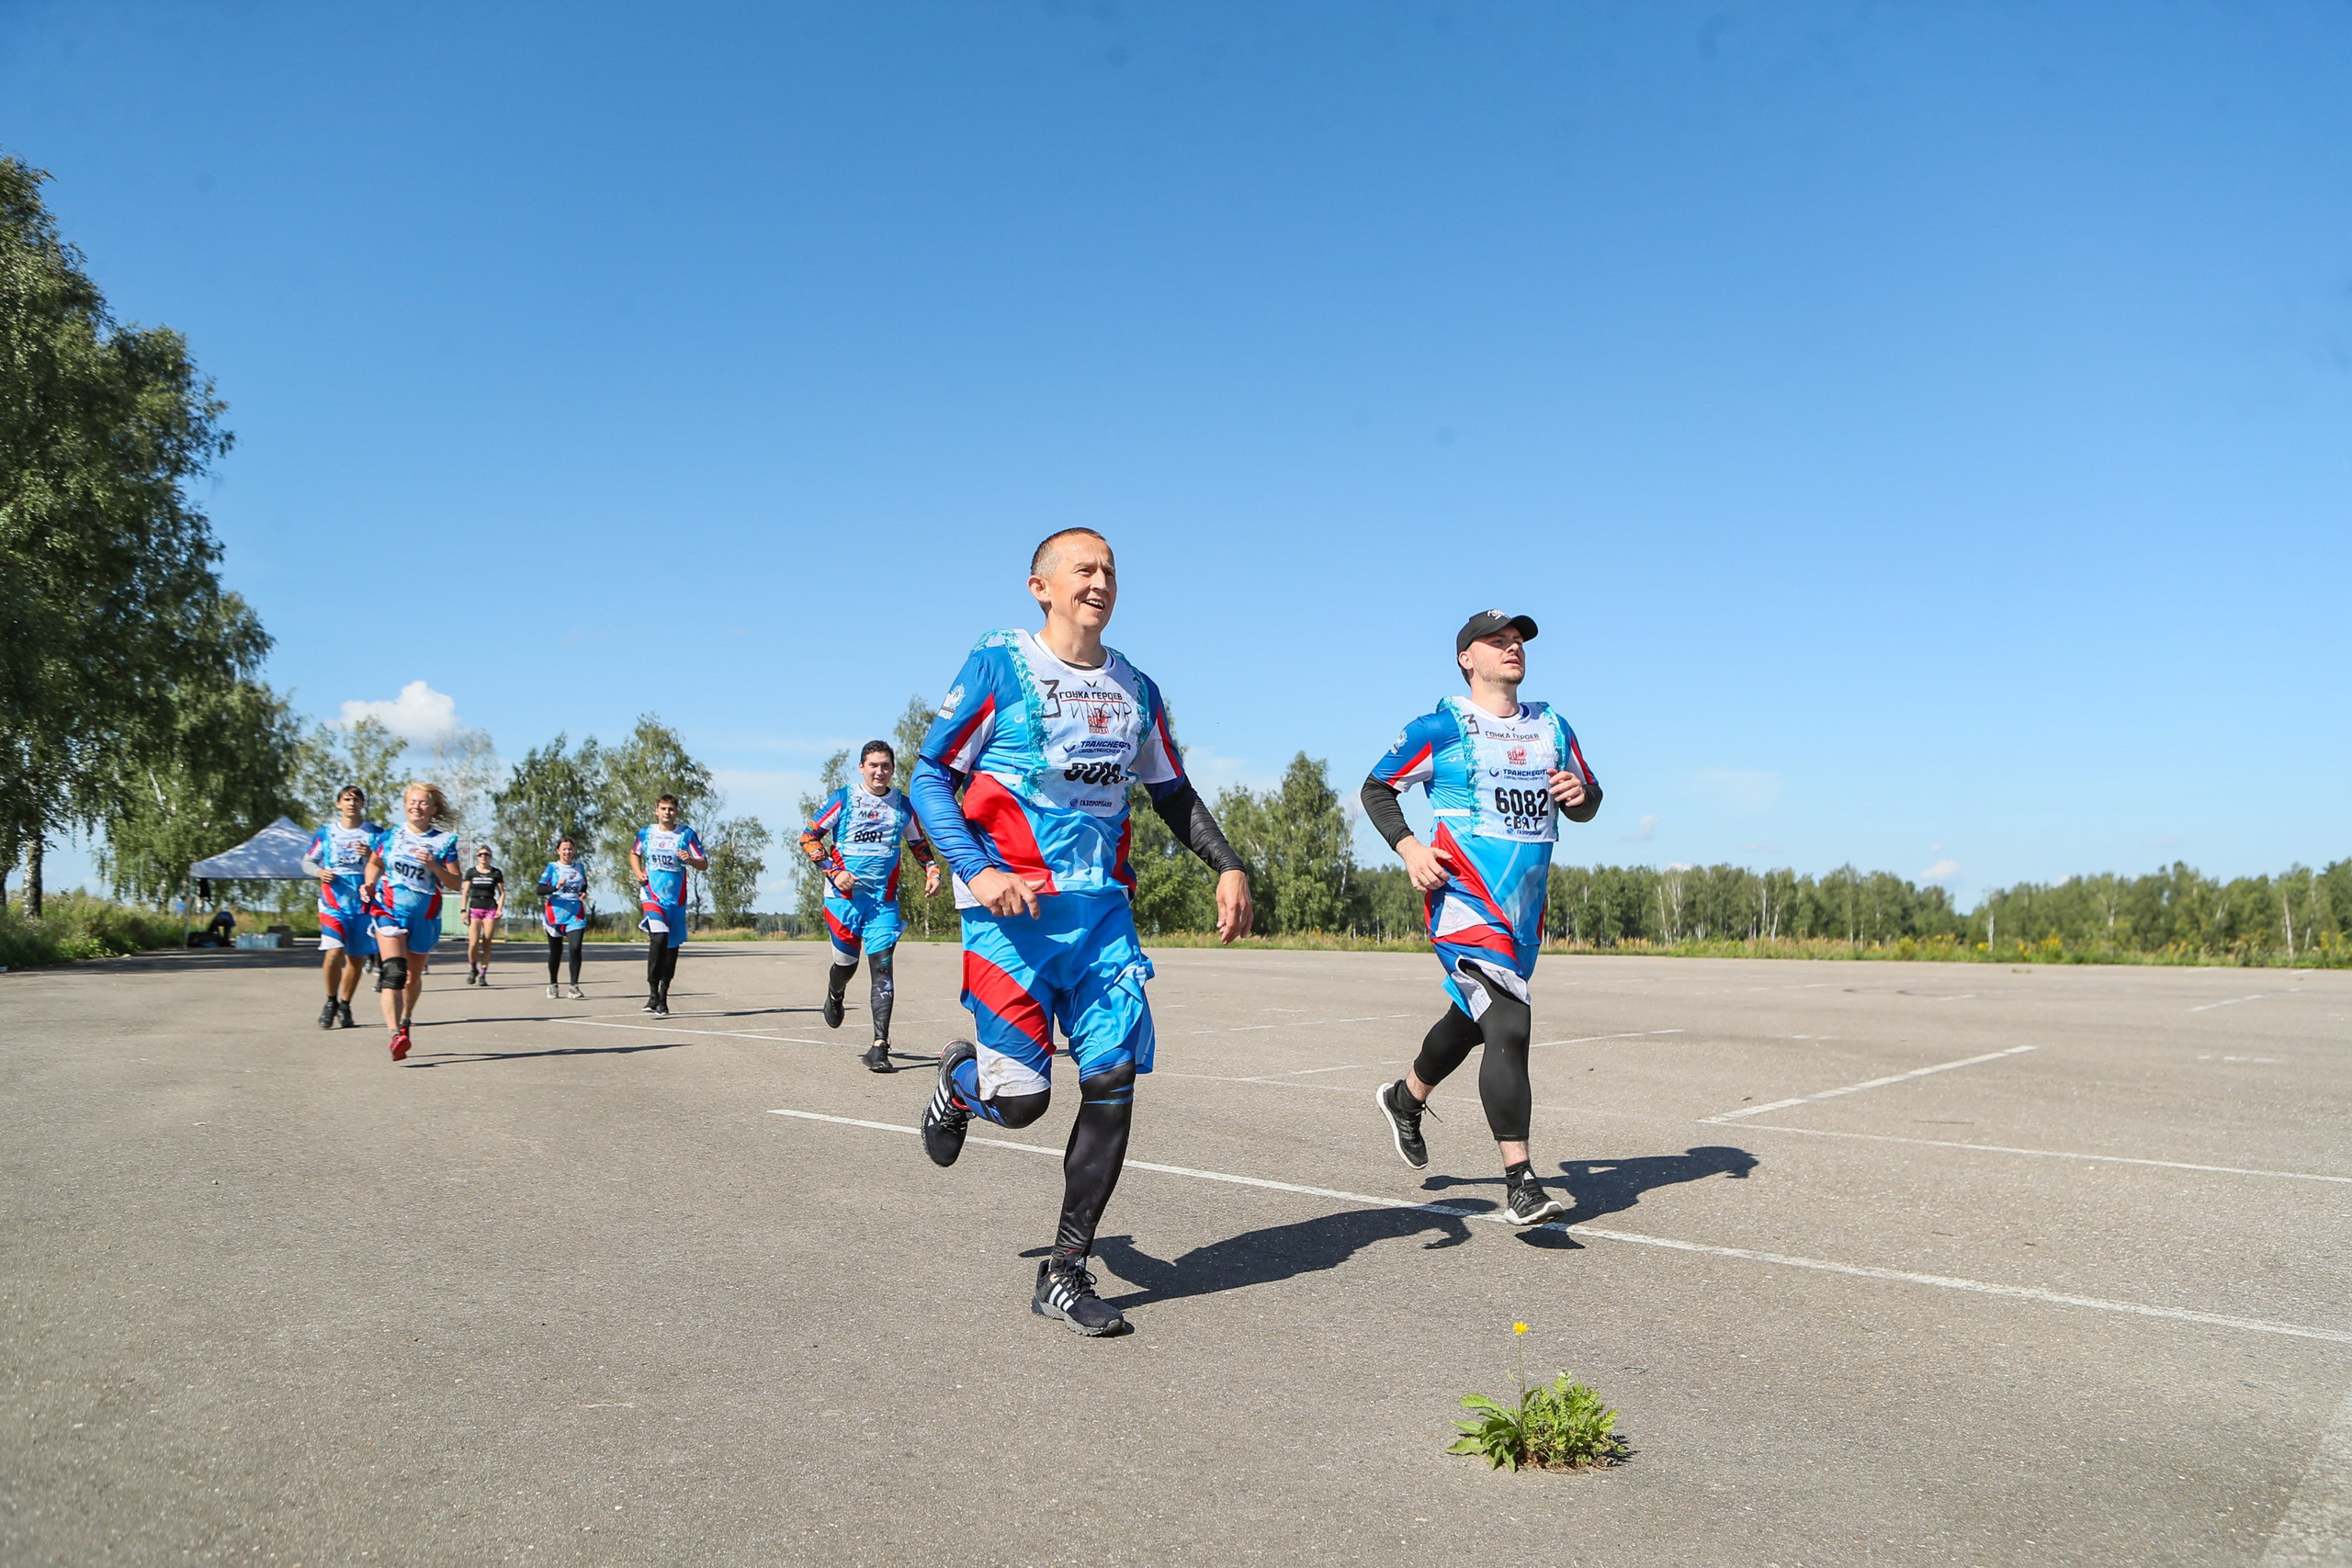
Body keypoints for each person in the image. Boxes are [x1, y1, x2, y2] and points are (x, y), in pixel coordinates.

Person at [910, 527, 1252, 1337]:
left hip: (1101, 919)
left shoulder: (1136, 687)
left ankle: (1064, 1270)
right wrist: (979, 869)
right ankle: (962, 1085)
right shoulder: (1000, 663)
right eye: (1082, 568)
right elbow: (932, 776)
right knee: (1023, 1101)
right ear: (1041, 586)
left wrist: (1229, 864)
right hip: (1009, 920)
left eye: (1109, 570)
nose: (1099, 580)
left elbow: (1171, 790)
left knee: (1113, 1078)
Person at [1363, 610, 1601, 1225]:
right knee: (1511, 1022)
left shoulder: (1553, 726)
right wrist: (1411, 849)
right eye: (1498, 640)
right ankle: (1521, 1181)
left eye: (1518, 638)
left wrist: (1581, 794)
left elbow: (1588, 800)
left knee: (1477, 1020)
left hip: (1523, 909)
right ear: (1468, 657)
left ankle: (1405, 1096)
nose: (1513, 645)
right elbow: (1376, 787)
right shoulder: (1440, 727)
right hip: (1463, 900)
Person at [800, 739, 942, 1073]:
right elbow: (808, 837)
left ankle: (880, 1046)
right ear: (862, 768)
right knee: (845, 966)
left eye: (886, 766)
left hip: (883, 903)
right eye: (874, 765)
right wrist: (834, 872)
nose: (880, 772)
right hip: (843, 901)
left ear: (893, 769)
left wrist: (932, 870)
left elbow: (918, 843)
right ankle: (835, 994)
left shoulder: (902, 806)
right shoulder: (843, 799)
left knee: (882, 971)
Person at [361, 782, 463, 1062]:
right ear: (405, 804)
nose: (417, 807)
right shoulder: (389, 837)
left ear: (433, 809)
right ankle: (395, 1034)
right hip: (388, 909)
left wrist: (433, 866)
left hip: (425, 916)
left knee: (412, 977)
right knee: (393, 972)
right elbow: (374, 864)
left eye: (424, 803)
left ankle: (406, 1018)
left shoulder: (444, 843)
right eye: (412, 802)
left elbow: (456, 882)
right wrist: (369, 884)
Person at [303, 784, 381, 1028]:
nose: (351, 803)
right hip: (333, 901)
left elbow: (388, 863)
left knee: (356, 959)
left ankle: (345, 1004)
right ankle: (330, 1001)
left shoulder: (375, 833)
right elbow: (307, 861)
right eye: (347, 799)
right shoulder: (326, 833)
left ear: (362, 805)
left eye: (356, 799)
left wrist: (371, 854)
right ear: (338, 804)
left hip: (363, 903)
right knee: (334, 951)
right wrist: (318, 872)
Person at [628, 794, 707, 1018]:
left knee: (671, 949)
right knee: (658, 939)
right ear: (656, 811)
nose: (667, 813)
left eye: (671, 809)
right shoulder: (647, 833)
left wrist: (690, 860)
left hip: (676, 900)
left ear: (676, 812)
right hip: (652, 896)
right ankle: (652, 992)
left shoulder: (686, 834)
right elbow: (634, 853)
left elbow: (704, 863)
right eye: (663, 808)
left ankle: (663, 996)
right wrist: (638, 873)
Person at [538, 836, 591, 999]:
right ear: (558, 851)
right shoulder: (552, 868)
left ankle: (574, 986)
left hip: (575, 913)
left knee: (575, 948)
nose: (567, 851)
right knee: (556, 951)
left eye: (570, 849)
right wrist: (556, 887)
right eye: (564, 849)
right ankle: (553, 984)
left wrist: (583, 891)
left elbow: (583, 885)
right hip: (556, 913)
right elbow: (539, 889)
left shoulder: (579, 867)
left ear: (573, 851)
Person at [460, 845, 506, 986]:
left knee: (487, 942)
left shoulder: (496, 873)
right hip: (475, 909)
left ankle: (483, 974)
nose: (483, 857)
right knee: (473, 943)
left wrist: (499, 908)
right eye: (480, 854)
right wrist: (463, 910)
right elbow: (465, 892)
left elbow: (502, 893)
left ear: (490, 856)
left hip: (490, 909)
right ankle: (473, 968)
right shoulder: (471, 872)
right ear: (477, 856)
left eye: (486, 854)